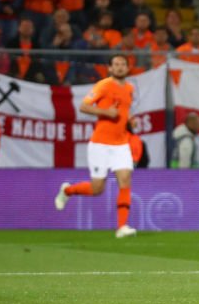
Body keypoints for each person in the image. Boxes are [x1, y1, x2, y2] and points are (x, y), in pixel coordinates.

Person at [54, 54, 138, 238]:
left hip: (121, 143)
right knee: (97, 189)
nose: (120, 67)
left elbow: (123, 111)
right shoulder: (104, 85)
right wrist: (105, 112)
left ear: (127, 67)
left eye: (123, 64)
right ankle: (67, 190)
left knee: (125, 180)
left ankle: (122, 227)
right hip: (100, 143)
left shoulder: (130, 88)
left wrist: (130, 120)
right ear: (109, 68)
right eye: (116, 64)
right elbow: (84, 106)